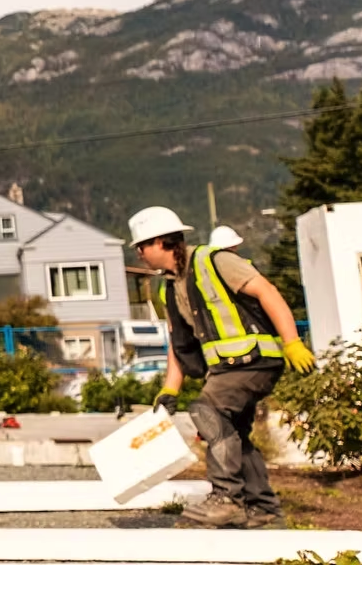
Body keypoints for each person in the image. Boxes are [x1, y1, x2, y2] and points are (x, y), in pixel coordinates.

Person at [128, 206, 314, 530]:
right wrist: (171, 388)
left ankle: (227, 499)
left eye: (141, 246)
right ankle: (263, 508)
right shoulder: (169, 287)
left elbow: (267, 292)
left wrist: (292, 342)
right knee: (235, 434)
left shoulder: (215, 261)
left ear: (160, 242)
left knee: (207, 410)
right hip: (226, 370)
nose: (139, 254)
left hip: (255, 359)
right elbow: (179, 343)